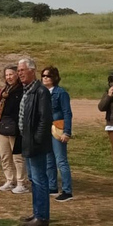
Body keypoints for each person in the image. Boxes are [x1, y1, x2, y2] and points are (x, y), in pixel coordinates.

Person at [17, 58, 53, 226]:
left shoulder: (41, 91)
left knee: (39, 179)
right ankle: (37, 212)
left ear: (32, 70)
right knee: (33, 178)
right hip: (28, 141)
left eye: (22, 70)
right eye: (18, 71)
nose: (20, 73)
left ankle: (42, 217)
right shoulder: (27, 90)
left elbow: (45, 119)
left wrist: (37, 140)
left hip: (36, 142)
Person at [41, 66, 74, 202]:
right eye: (43, 76)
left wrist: (67, 132)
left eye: (47, 76)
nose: (44, 78)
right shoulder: (42, 92)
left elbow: (67, 113)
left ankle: (67, 190)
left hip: (58, 128)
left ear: (54, 78)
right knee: (49, 159)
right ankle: (52, 186)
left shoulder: (61, 93)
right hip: (46, 129)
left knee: (61, 160)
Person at [0, 66, 28, 194]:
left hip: (16, 128)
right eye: (7, 75)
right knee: (4, 155)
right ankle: (10, 180)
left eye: (11, 74)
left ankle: (21, 182)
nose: (8, 77)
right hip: (3, 126)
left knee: (17, 157)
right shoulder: (5, 91)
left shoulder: (21, 91)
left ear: (17, 75)